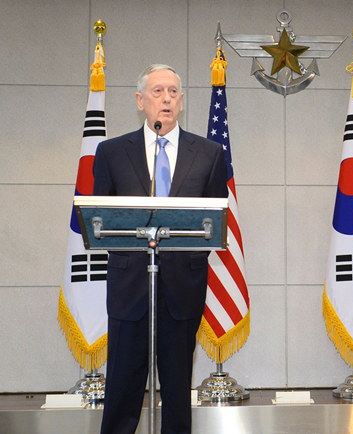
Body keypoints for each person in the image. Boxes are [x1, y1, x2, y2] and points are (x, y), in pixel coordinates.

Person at [93, 64, 228, 434]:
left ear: (181, 101)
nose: (166, 98)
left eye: (172, 92)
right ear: (140, 101)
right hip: (129, 287)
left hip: (182, 288)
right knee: (122, 389)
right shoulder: (111, 152)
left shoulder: (210, 153)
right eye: (157, 91)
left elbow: (214, 222)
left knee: (177, 391)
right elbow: (100, 218)